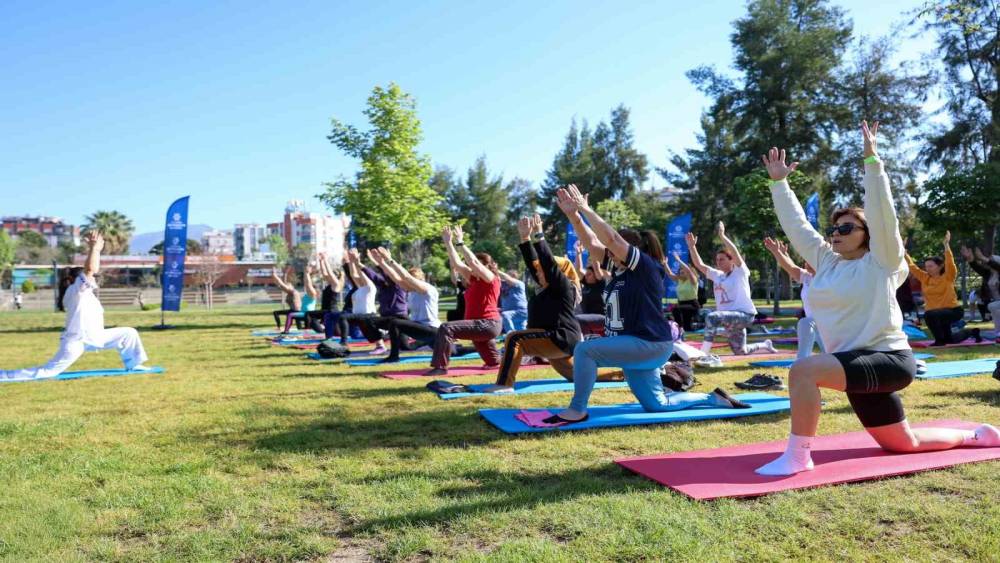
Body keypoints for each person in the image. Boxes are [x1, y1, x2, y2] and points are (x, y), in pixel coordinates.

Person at [755, 122, 999, 477]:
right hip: (853, 361)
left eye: (847, 228)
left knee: (803, 371)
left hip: (888, 360)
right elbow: (796, 226)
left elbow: (884, 215)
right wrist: (779, 184)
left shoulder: (882, 260)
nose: (836, 233)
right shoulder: (825, 261)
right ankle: (977, 435)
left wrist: (873, 163)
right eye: (834, 228)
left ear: (867, 235)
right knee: (903, 443)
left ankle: (798, 456)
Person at [543, 185, 751, 424]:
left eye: (611, 250)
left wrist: (586, 208)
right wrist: (573, 215)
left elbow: (609, 238)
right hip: (636, 347)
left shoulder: (644, 267)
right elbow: (591, 241)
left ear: (628, 249)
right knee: (657, 405)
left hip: (649, 344)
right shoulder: (618, 269)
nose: (605, 252)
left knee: (584, 350)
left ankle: (577, 409)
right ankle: (712, 397)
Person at [1, 231, 152, 382]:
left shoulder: (85, 293)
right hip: (77, 341)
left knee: (129, 333)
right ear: (77, 279)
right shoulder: (76, 290)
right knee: (48, 372)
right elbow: (90, 270)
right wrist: (95, 249)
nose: (92, 279)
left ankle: (134, 364)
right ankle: (5, 375)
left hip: (96, 336)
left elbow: (91, 272)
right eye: (88, 278)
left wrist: (96, 251)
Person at [488, 215, 584, 390]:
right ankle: (618, 375)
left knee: (515, 338)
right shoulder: (546, 286)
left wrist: (539, 235)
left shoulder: (564, 286)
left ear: (558, 273)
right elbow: (535, 265)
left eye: (543, 271)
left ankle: (504, 385)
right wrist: (525, 238)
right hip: (556, 339)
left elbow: (548, 264)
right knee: (579, 377)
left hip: (560, 338)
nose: (538, 273)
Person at [686, 222, 778, 368]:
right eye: (717, 260)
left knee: (712, 316)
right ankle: (765, 344)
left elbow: (734, 251)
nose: (718, 262)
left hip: (745, 315)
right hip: (730, 320)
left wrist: (722, 236)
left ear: (731, 261)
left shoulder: (740, 272)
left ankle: (702, 355)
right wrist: (692, 247)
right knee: (741, 351)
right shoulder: (717, 275)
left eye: (722, 259)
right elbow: (699, 265)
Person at [423, 226, 503, 376]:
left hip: (487, 324)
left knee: (446, 328)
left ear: (487, 266)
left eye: (479, 265)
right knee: (492, 361)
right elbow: (458, 264)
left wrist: (460, 242)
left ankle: (440, 367)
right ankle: (496, 361)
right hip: (479, 325)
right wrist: (448, 243)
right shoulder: (473, 279)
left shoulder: (492, 279)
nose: (473, 267)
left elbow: (472, 262)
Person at [905, 232, 981, 346]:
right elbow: (912, 267)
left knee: (929, 315)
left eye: (931, 266)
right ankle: (972, 332)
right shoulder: (925, 278)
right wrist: (903, 251)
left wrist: (946, 245)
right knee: (949, 340)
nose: (927, 269)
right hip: (938, 314)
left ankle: (939, 341)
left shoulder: (948, 276)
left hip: (953, 311)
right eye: (926, 266)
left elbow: (950, 262)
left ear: (939, 266)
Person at [764, 237, 824, 360]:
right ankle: (801, 365)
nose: (806, 262)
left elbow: (791, 267)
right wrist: (781, 253)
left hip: (829, 328)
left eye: (809, 259)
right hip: (813, 324)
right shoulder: (807, 277)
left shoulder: (828, 277)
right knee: (805, 323)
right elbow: (790, 267)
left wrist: (779, 253)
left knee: (834, 357)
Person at [336, 249, 387, 352]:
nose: (358, 279)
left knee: (343, 317)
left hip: (368, 315)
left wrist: (356, 261)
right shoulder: (360, 287)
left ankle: (344, 342)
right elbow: (353, 274)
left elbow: (361, 274)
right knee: (371, 336)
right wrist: (351, 261)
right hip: (360, 316)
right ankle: (380, 344)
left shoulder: (370, 287)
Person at [961, 245, 1000, 341]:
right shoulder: (989, 274)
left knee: (993, 306)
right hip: (997, 301)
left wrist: (983, 257)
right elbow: (977, 267)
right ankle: (998, 332)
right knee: (994, 307)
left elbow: (996, 266)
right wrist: (970, 259)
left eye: (990, 261)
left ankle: (998, 331)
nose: (986, 263)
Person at [574, 240, 610, 336]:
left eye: (589, 274)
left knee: (575, 320)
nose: (586, 276)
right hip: (589, 321)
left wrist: (591, 248)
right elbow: (578, 270)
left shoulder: (600, 283)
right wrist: (578, 253)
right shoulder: (586, 283)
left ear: (595, 275)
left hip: (601, 319)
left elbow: (596, 267)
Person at [307, 252, 345, 336]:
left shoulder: (336, 284)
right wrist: (321, 261)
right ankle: (323, 330)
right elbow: (324, 273)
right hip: (325, 311)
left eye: (333, 275)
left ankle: (322, 331)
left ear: (336, 277)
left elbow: (330, 273)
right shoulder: (330, 284)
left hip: (331, 311)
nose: (329, 276)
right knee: (310, 315)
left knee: (337, 334)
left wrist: (325, 260)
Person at [670, 252, 701, 331]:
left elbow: (688, 271)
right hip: (682, 305)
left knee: (676, 309)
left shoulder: (693, 280)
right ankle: (681, 330)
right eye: (680, 272)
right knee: (687, 328)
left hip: (692, 305)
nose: (681, 273)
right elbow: (670, 274)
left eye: (683, 272)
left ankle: (679, 329)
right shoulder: (680, 281)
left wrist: (678, 260)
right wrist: (664, 264)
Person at [496, 268, 529, 334]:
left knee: (505, 315)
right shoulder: (503, 285)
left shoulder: (519, 284)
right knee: (522, 334)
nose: (504, 279)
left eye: (508, 276)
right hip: (511, 313)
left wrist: (495, 270)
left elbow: (506, 278)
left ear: (514, 277)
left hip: (520, 311)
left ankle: (511, 335)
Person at [271, 268, 304, 332]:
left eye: (288, 286)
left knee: (300, 328)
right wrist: (274, 277)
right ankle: (279, 327)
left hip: (297, 311)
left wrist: (275, 275)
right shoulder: (289, 292)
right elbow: (279, 285)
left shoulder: (293, 292)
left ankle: (287, 330)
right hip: (292, 310)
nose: (286, 287)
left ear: (291, 287)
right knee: (276, 313)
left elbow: (282, 285)